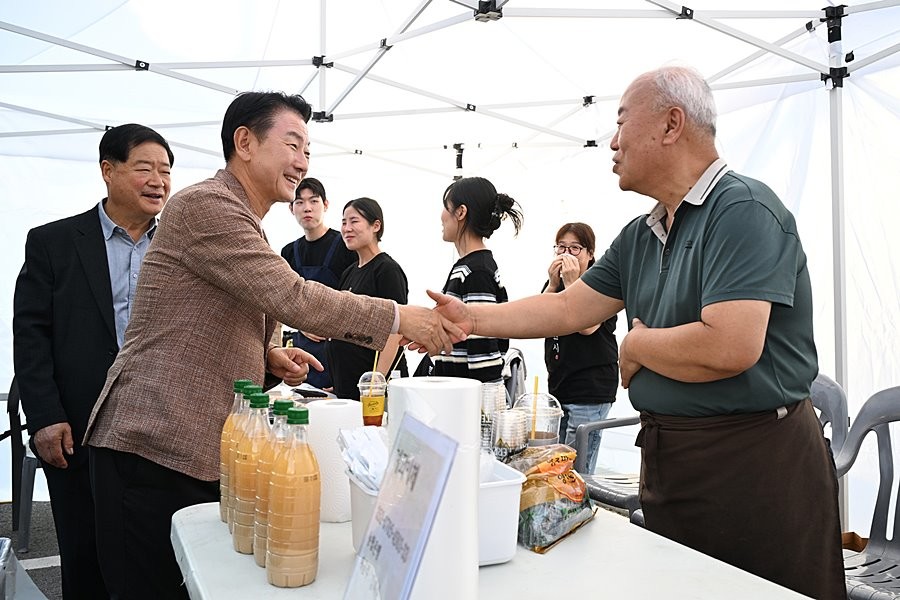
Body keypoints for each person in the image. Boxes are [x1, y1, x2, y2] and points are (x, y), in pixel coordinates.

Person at [428, 66, 845, 599]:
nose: (612, 141)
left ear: (672, 124)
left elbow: (730, 346)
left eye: (622, 122)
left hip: (754, 467)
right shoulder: (643, 233)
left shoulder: (742, 210)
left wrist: (638, 343)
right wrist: (471, 319)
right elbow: (566, 310)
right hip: (674, 463)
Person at [82, 91, 461, 600]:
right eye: (293, 143)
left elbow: (209, 313)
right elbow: (292, 296)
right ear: (245, 142)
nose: (303, 162)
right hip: (152, 444)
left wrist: (267, 355)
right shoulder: (205, 206)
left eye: (308, 149)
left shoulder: (245, 220)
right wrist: (398, 317)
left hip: (191, 447)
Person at [12, 123, 174, 600]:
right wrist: (44, 416)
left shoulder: (180, 249)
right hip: (77, 428)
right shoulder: (54, 242)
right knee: (84, 557)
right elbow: (31, 336)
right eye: (145, 167)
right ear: (108, 170)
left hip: (156, 431)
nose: (159, 181)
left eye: (166, 171)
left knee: (154, 561)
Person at [542, 222, 618, 473]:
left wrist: (572, 282)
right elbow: (539, 321)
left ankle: (580, 511)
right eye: (561, 247)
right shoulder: (557, 282)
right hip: (561, 386)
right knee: (556, 465)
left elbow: (587, 326)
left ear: (590, 253)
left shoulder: (601, 282)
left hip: (591, 389)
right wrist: (553, 285)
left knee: (576, 470)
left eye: (575, 248)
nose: (566, 254)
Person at [431, 176, 522, 383]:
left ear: (461, 212)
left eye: (446, 207)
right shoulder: (469, 266)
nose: (441, 215)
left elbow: (484, 351)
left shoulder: (477, 270)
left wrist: (484, 408)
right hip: (458, 397)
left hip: (468, 403)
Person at [328, 197, 409, 399]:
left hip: (374, 389)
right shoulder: (349, 272)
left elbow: (396, 330)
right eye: (344, 222)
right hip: (348, 384)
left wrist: (377, 381)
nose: (347, 228)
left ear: (376, 225)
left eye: (354, 221)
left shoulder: (387, 270)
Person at [280, 177, 356, 389]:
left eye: (313, 201)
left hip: (339, 347)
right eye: (300, 202)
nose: (307, 208)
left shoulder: (346, 246)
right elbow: (283, 301)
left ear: (326, 205)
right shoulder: (288, 252)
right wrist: (302, 325)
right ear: (291, 208)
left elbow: (357, 297)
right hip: (303, 352)